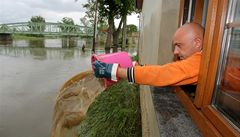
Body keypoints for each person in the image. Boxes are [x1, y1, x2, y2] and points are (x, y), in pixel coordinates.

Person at [93, 22, 204, 86]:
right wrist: (137, 68)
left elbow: (163, 74)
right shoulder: (198, 61)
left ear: (197, 43)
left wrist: (114, 70)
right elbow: (166, 70)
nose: (175, 52)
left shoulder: (201, 62)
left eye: (179, 45)